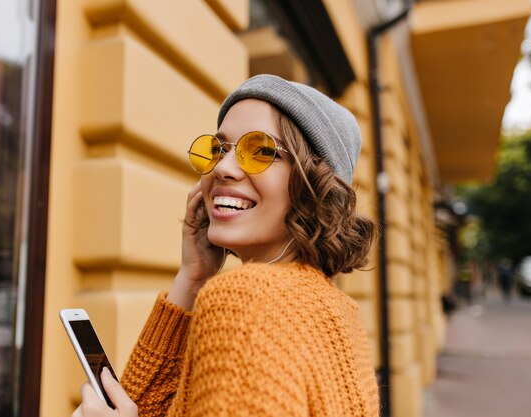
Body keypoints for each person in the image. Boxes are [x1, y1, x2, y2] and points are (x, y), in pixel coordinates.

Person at [72, 74, 379, 417]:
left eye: (261, 151)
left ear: (314, 185)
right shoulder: (341, 314)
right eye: (217, 149)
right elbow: (140, 409)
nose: (223, 168)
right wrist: (192, 275)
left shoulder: (249, 301)